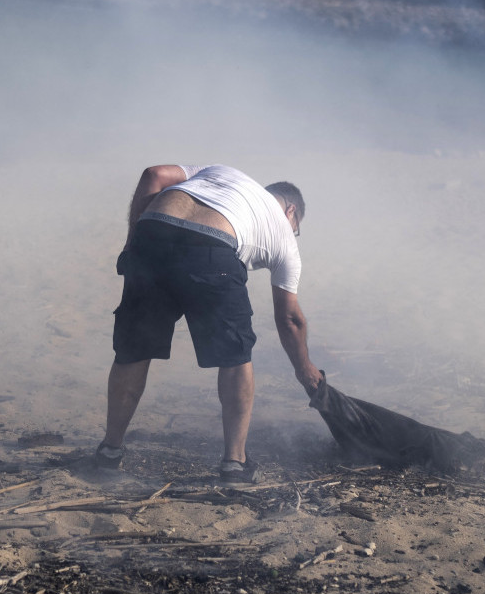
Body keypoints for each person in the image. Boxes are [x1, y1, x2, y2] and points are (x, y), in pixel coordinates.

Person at [96, 164, 322, 483]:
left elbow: (154, 176)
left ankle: (109, 451)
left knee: (134, 349)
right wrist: (305, 369)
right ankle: (235, 463)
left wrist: (133, 244)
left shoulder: (221, 172)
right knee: (235, 356)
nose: (293, 232)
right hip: (212, 249)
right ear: (291, 212)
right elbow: (289, 319)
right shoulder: (284, 234)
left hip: (152, 233)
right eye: (296, 226)